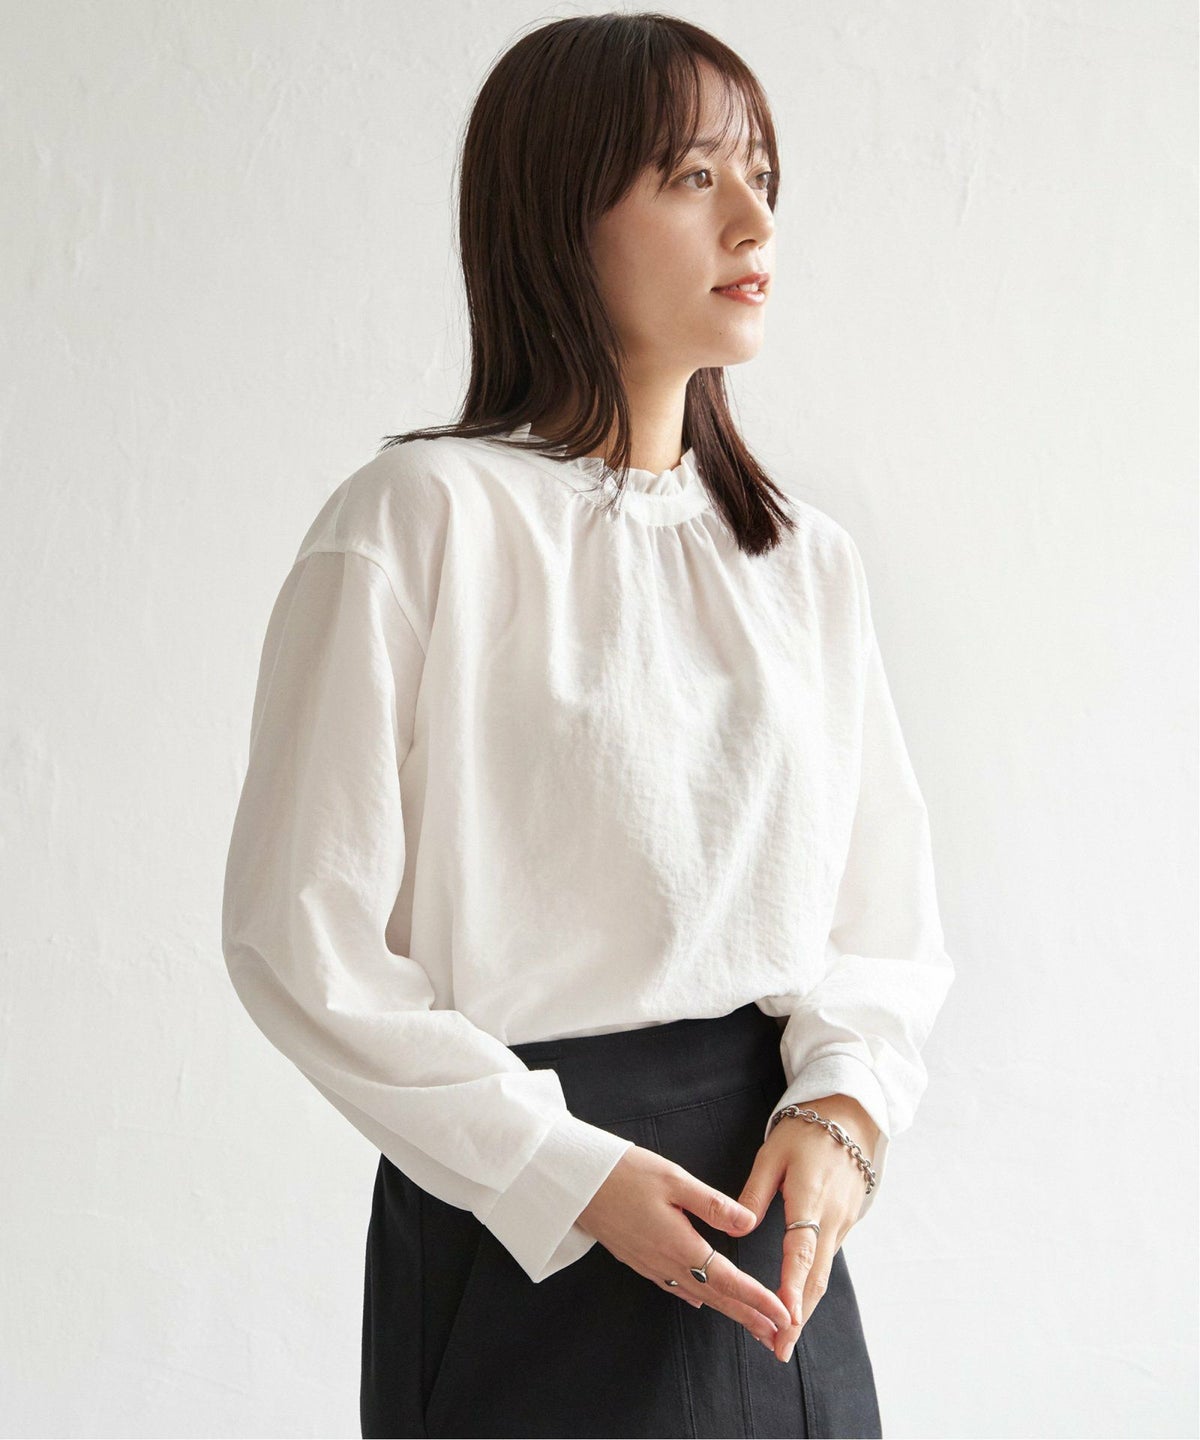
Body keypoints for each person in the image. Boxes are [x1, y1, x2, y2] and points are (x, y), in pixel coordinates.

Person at [220, 12, 955, 1438]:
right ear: (560, 216)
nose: (753, 220)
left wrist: (844, 1110)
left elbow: (884, 916)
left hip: (769, 1200)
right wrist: (558, 1172)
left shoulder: (802, 561)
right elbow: (299, 933)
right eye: (693, 177)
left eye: (762, 177)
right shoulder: (417, 523)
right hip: (521, 1214)